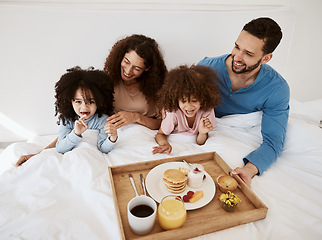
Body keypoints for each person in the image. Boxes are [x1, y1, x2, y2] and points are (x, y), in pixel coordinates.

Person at [16, 34, 167, 166]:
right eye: (126, 61)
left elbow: (162, 124)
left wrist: (136, 117)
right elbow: (78, 124)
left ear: (147, 69)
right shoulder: (105, 82)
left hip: (139, 136)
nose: (128, 71)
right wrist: (40, 154)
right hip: (109, 136)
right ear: (120, 56)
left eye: (137, 68)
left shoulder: (154, 89)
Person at [198, 17, 290, 187]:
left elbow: (273, 140)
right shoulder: (205, 68)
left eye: (248, 54)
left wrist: (249, 170)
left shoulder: (277, 88)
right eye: (237, 47)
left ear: (266, 58)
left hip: (236, 138)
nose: (237, 57)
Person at [152, 65, 221, 155]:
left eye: (194, 101)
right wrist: (165, 144)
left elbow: (200, 142)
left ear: (203, 98)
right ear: (176, 100)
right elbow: (160, 134)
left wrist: (202, 132)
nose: (189, 107)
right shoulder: (173, 114)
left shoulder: (207, 111)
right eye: (183, 101)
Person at [55, 66, 117, 154]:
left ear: (99, 101)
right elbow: (60, 148)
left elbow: (103, 149)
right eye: (78, 101)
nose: (84, 107)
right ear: (70, 102)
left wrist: (112, 138)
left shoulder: (102, 120)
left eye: (91, 102)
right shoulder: (67, 120)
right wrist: (76, 133)